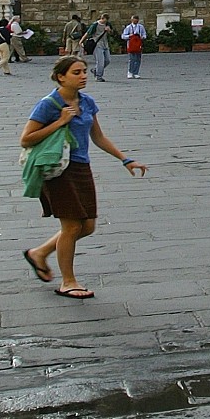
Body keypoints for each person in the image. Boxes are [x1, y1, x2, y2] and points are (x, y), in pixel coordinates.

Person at [21, 54, 146, 298]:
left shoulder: (87, 102)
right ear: (61, 77)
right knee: (71, 226)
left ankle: (39, 252)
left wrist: (125, 159)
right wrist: (60, 122)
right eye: (76, 73)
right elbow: (26, 139)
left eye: (84, 71)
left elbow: (97, 136)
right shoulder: (48, 104)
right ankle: (68, 281)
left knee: (87, 226)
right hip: (59, 169)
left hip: (81, 167)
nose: (83, 76)